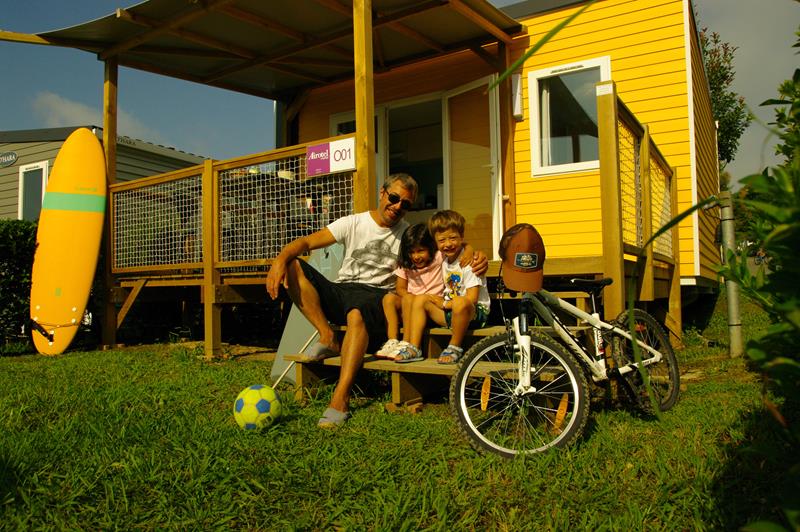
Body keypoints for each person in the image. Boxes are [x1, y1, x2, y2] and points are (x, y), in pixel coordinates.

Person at [265, 174, 487, 427]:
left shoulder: (407, 232)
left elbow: (447, 242)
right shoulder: (353, 222)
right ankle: (327, 335)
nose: (398, 207)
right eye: (394, 198)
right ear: (382, 193)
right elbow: (306, 241)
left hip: (378, 295)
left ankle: (341, 397)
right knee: (294, 266)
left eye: (406, 204)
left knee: (356, 314)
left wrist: (471, 251)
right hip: (344, 288)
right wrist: (280, 259)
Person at [394, 210, 490, 364]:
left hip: (474, 313)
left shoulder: (469, 261)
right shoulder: (444, 259)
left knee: (460, 301)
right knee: (421, 299)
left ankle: (454, 347)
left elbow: (471, 299)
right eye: (442, 240)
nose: (448, 244)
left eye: (453, 238)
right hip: (452, 312)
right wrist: (444, 304)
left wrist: (444, 303)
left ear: (461, 237)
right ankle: (414, 347)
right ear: (436, 243)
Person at [376, 223, 476, 360]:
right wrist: (409, 297)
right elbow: (400, 288)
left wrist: (470, 251)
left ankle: (406, 341)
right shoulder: (406, 264)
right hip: (409, 308)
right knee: (389, 298)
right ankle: (392, 340)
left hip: (430, 306)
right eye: (411, 252)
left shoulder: (439, 257)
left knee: (413, 299)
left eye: (420, 250)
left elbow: (461, 245)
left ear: (431, 247)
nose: (416, 256)